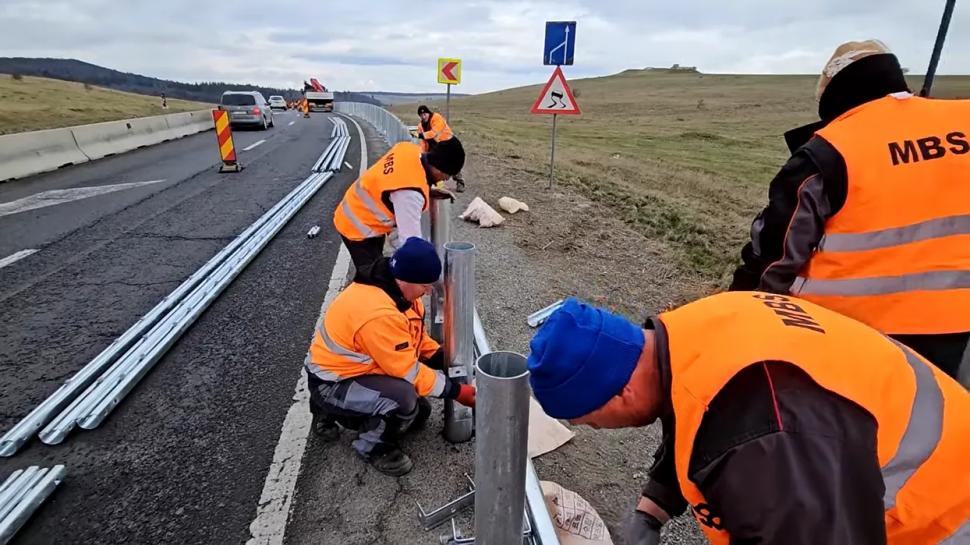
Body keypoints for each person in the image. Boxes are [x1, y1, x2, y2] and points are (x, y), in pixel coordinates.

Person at [527, 294, 969, 545]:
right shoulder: (686, 337)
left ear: (620, 392)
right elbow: (688, 410)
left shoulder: (764, 438)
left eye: (591, 421)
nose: (597, 431)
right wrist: (652, 508)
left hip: (944, 518)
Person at [729, 40, 970, 381]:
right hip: (959, 338)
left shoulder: (830, 148)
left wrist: (740, 310)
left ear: (834, 93)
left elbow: (776, 254)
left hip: (850, 336)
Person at [304, 237, 475, 476]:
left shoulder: (400, 295)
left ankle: (345, 413)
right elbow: (406, 370)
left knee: (418, 413)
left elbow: (413, 338)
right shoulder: (378, 313)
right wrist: (457, 392)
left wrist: (439, 356)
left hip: (355, 370)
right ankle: (372, 445)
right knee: (403, 400)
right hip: (332, 382)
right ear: (406, 278)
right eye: (424, 285)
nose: (428, 291)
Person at [333, 138, 464, 280]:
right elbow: (409, 244)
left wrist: (428, 191)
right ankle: (359, 299)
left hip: (360, 212)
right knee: (373, 278)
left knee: (373, 268)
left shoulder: (408, 150)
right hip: (357, 227)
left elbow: (397, 183)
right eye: (447, 175)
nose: (445, 180)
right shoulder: (410, 195)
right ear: (440, 167)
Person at [417, 105, 465, 191]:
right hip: (433, 146)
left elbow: (434, 133)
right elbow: (423, 142)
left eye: (425, 114)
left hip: (446, 144)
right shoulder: (420, 126)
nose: (423, 116)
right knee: (433, 165)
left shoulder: (436, 118)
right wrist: (422, 154)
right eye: (421, 115)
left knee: (452, 162)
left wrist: (421, 135)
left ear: (428, 113)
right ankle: (437, 185)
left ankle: (460, 182)